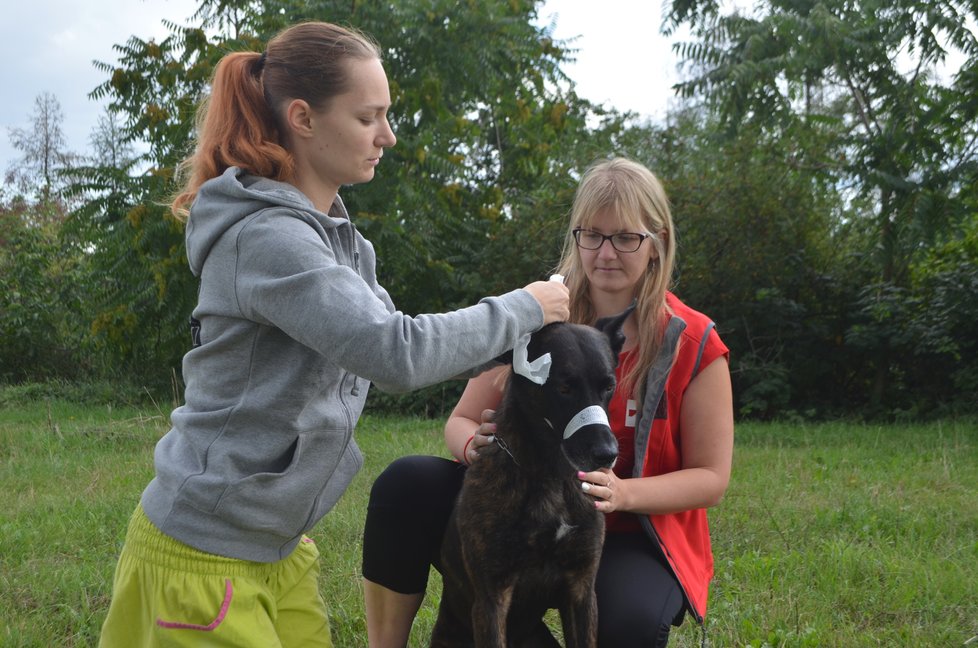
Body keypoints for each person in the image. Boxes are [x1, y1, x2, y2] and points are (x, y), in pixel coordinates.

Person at [97, 21, 569, 648]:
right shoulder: (267, 239)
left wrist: (531, 341)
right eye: (368, 116)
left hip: (277, 552)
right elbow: (395, 353)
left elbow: (402, 343)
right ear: (304, 118)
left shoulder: (337, 239)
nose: (388, 136)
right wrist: (524, 308)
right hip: (204, 559)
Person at [362, 157, 734, 647]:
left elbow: (712, 478)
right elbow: (462, 420)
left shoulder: (692, 341)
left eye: (626, 237)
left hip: (627, 533)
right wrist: (472, 443)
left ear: (657, 241)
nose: (606, 252)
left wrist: (623, 494)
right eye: (592, 235)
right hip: (518, 509)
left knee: (629, 624)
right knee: (406, 483)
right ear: (575, 238)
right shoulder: (534, 316)